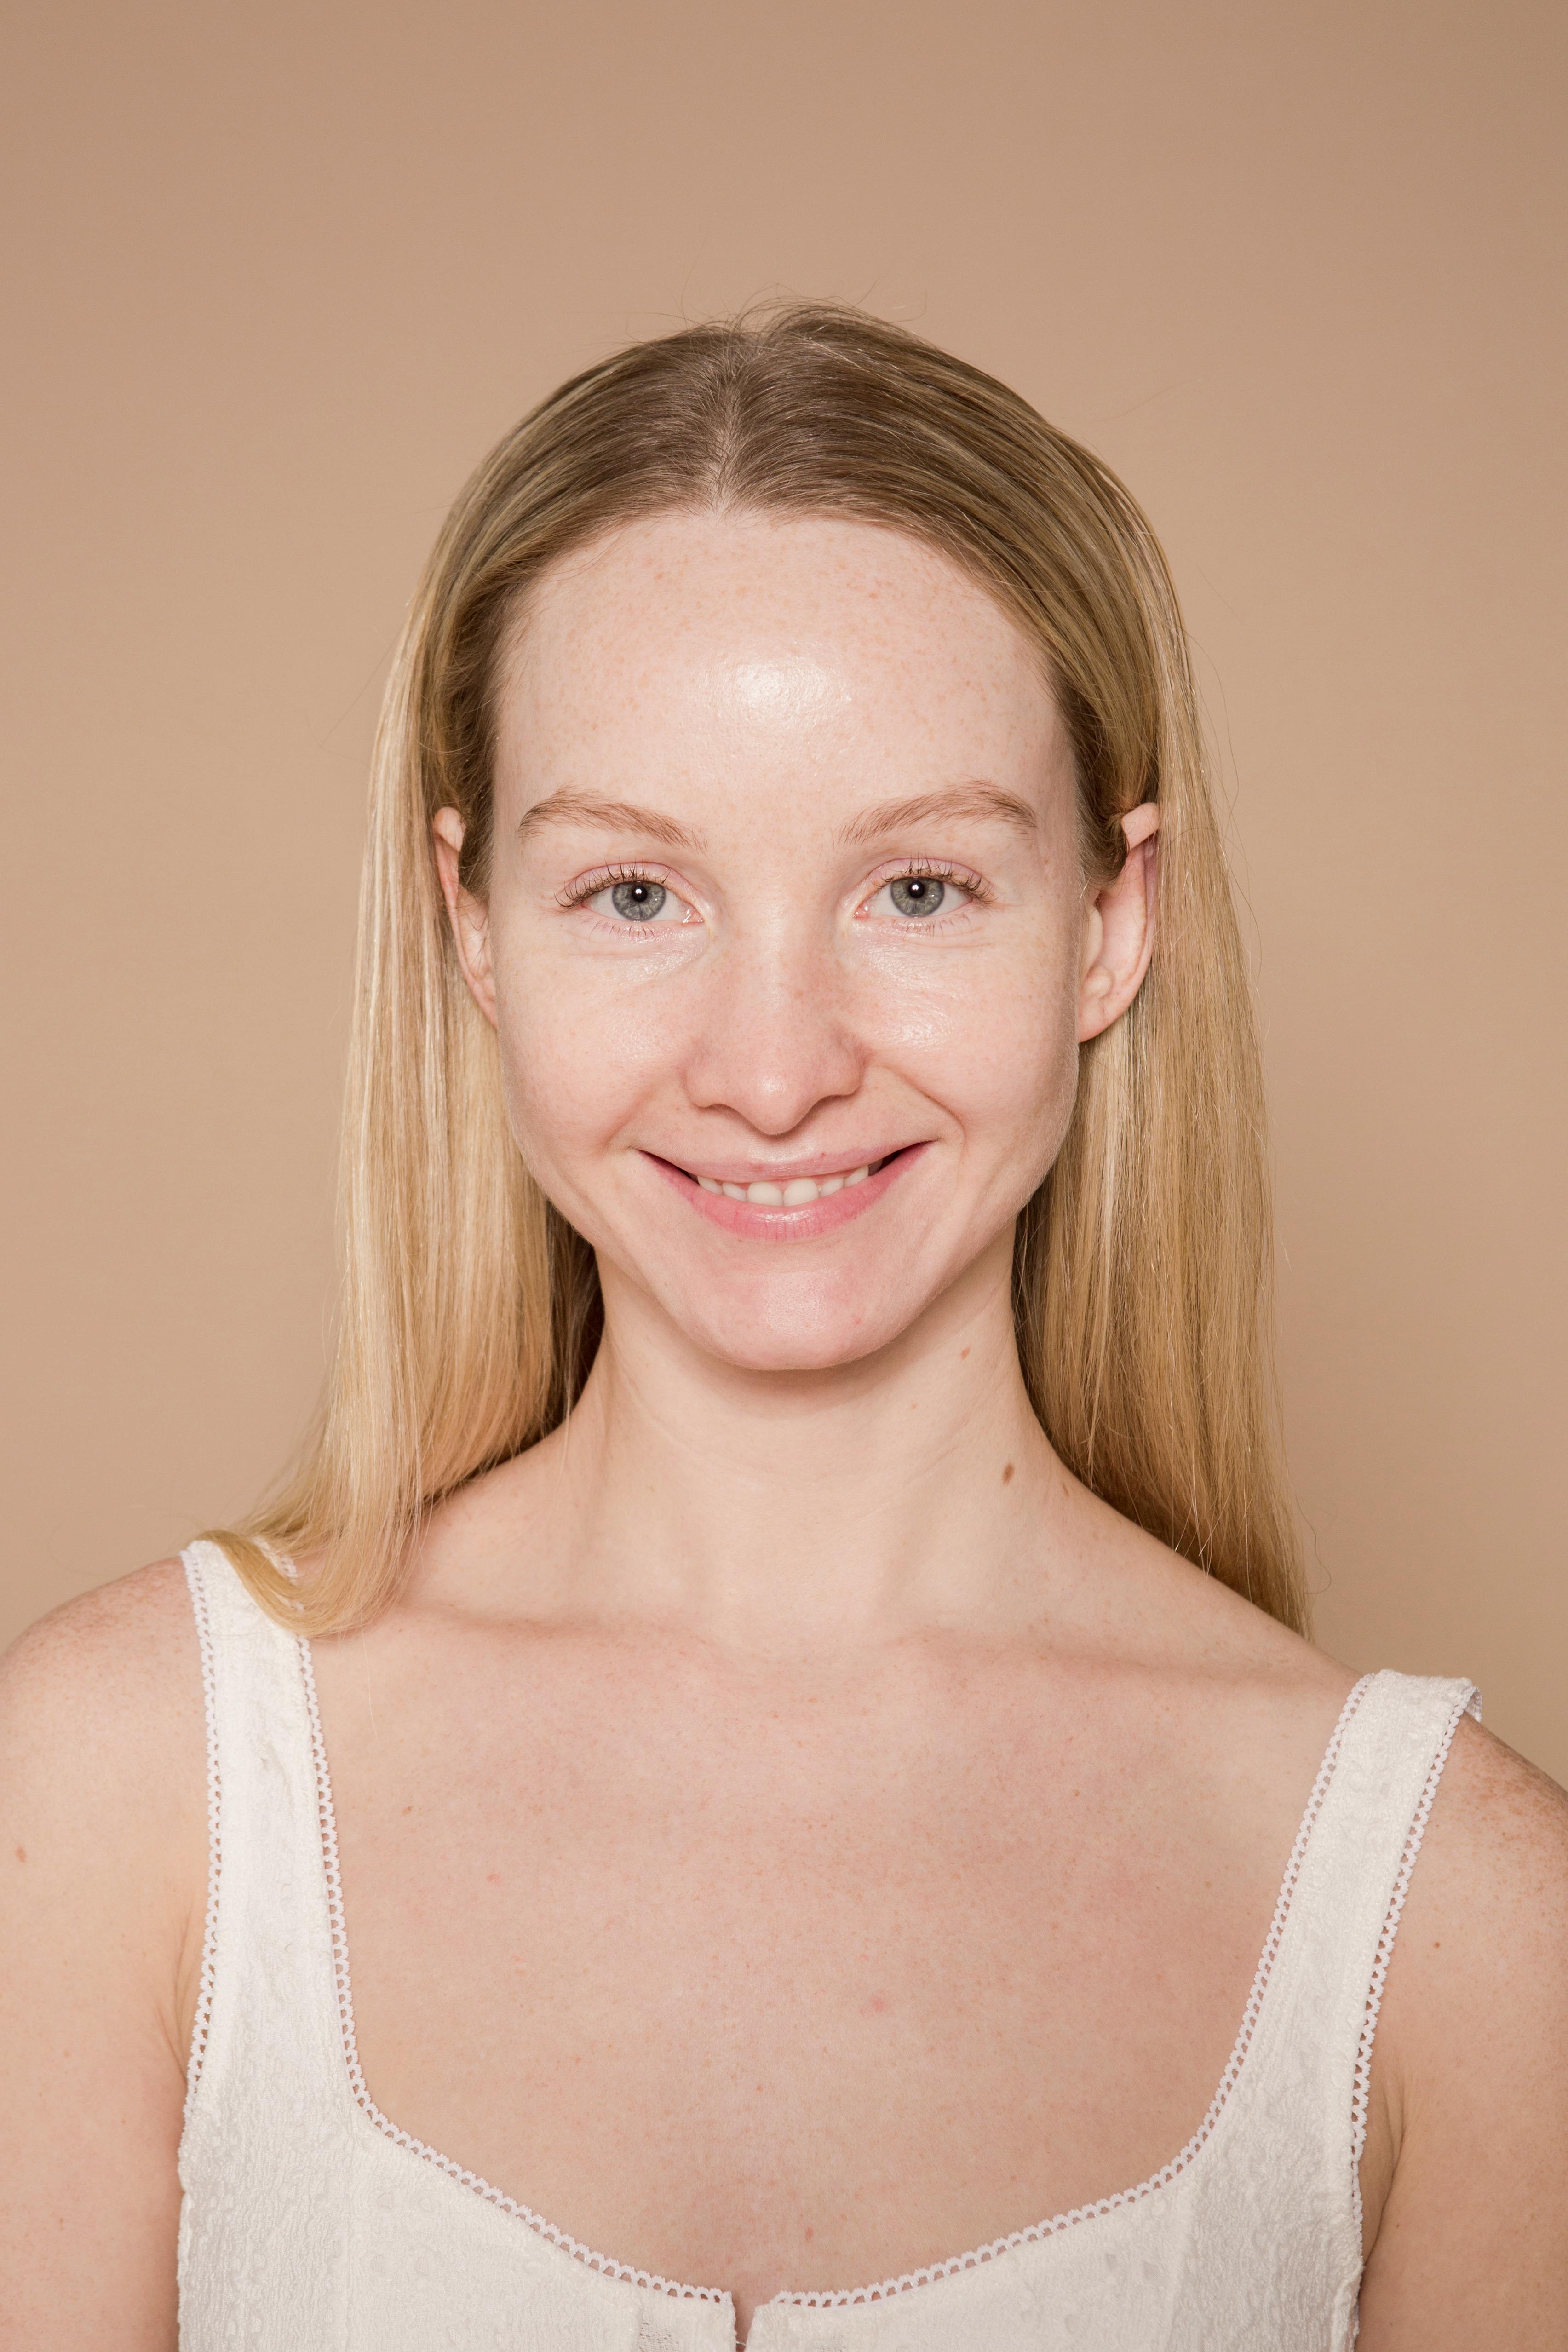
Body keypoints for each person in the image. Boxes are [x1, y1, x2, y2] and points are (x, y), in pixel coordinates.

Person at [2, 304, 1563, 2352]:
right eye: (636, 896)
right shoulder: (113, 1797)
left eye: (915, 889)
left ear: (1110, 920)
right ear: (471, 922)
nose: (770, 1070)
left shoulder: (1469, 1936)